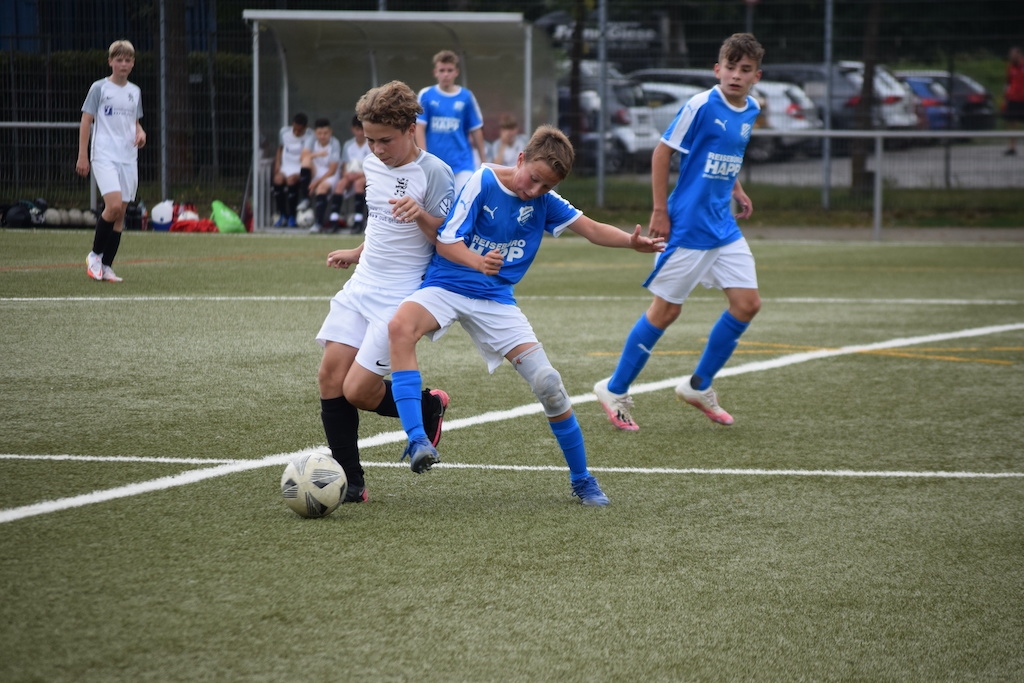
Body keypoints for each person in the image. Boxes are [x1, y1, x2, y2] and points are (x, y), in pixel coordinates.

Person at [387, 124, 664, 506]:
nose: (535, 190)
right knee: (400, 327)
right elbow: (447, 242)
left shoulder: (545, 200)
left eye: (546, 186)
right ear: (520, 158)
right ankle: (418, 440)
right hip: (447, 285)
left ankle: (582, 479)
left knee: (549, 384)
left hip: (496, 299)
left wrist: (630, 242)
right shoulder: (483, 181)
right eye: (533, 178)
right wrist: (478, 261)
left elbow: (590, 228)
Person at [593, 33, 764, 432]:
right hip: (687, 226)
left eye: (745, 70)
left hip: (723, 226)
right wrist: (660, 210)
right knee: (666, 310)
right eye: (730, 67)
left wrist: (736, 189)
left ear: (757, 76)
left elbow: (727, 155)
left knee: (747, 304)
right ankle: (614, 389)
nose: (736, 76)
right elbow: (662, 151)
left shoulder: (751, 108)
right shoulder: (700, 105)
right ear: (717, 69)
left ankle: (697, 386)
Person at [314, 80, 456, 502]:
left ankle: (428, 406)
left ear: (411, 129)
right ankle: (350, 483)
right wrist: (358, 252)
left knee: (358, 390)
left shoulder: (435, 173)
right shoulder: (371, 163)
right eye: (370, 140)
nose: (377, 150)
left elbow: (448, 244)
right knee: (329, 376)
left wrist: (423, 216)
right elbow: (380, 221)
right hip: (363, 283)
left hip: (400, 294)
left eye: (385, 141)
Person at [76, 39, 145, 283]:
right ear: (110, 62)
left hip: (128, 157)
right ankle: (94, 255)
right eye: (119, 60)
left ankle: (106, 266)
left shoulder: (135, 91)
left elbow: (135, 122)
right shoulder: (99, 88)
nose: (123, 64)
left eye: (127, 60)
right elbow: (86, 121)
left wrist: (141, 133)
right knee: (113, 205)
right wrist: (83, 155)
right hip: (104, 155)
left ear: (133, 63)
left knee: (120, 213)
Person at [416, 49, 488, 194]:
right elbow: (419, 128)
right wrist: (424, 159)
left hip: (462, 164)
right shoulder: (426, 95)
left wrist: (484, 162)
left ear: (456, 72)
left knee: (464, 202)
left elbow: (476, 129)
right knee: (438, 205)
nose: (446, 74)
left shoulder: (466, 97)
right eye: (442, 70)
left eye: (449, 70)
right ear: (435, 72)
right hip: (435, 165)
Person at [328, 115, 372, 232]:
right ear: (353, 129)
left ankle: (358, 220)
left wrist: (360, 174)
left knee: (358, 184)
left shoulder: (371, 144)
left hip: (365, 176)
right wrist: (346, 174)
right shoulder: (348, 145)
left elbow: (373, 167)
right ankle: (334, 219)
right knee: (340, 184)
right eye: (357, 130)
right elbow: (344, 166)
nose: (360, 133)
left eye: (362, 129)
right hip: (351, 175)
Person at [272, 112, 313, 227]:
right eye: (295, 129)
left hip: (299, 167)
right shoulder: (284, 132)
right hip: (286, 165)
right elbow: (280, 148)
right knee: (277, 180)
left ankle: (292, 216)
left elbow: (309, 154)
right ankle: (282, 215)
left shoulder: (310, 135)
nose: (296, 132)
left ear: (305, 128)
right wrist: (277, 164)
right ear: (292, 125)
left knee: (291, 180)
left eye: (299, 130)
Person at [301, 117, 342, 234]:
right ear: (315, 133)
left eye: (325, 133)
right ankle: (305, 198)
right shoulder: (312, 140)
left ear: (330, 132)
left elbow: (332, 170)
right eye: (319, 133)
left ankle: (318, 223)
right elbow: (303, 157)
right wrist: (317, 154)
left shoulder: (335, 143)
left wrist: (315, 183)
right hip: (316, 172)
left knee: (321, 188)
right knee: (306, 161)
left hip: (330, 174)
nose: (322, 136)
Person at [1003, 47, 1024, 156]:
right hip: (1013, 98)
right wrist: (1005, 98)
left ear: (1019, 54)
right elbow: (1008, 82)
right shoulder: (1010, 67)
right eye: (1010, 55)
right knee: (1012, 123)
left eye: (1013, 55)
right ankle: (1012, 146)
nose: (1011, 57)